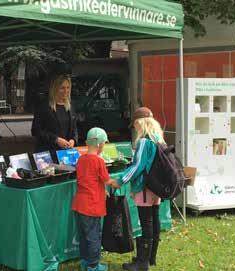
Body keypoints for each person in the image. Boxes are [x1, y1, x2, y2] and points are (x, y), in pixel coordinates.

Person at [116, 107, 165, 271]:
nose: (134, 128)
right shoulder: (158, 139)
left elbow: (137, 167)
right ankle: (150, 258)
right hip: (157, 187)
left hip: (145, 188)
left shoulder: (144, 141)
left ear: (140, 123)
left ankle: (142, 263)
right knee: (154, 220)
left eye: (135, 124)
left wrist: (120, 180)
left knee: (146, 224)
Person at [71, 127, 118, 271]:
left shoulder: (81, 159)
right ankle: (94, 265)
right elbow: (106, 180)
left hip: (79, 204)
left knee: (84, 235)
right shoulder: (99, 161)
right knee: (94, 236)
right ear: (100, 144)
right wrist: (116, 182)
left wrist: (102, 189)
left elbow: (88, 179)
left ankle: (85, 261)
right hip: (92, 206)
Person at [31, 74, 78, 162]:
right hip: (47, 154)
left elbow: (74, 129)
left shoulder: (71, 106)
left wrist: (73, 140)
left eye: (68, 88)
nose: (66, 91)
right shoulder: (44, 106)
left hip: (66, 154)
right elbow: (35, 130)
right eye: (62, 88)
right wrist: (56, 139)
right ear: (55, 89)